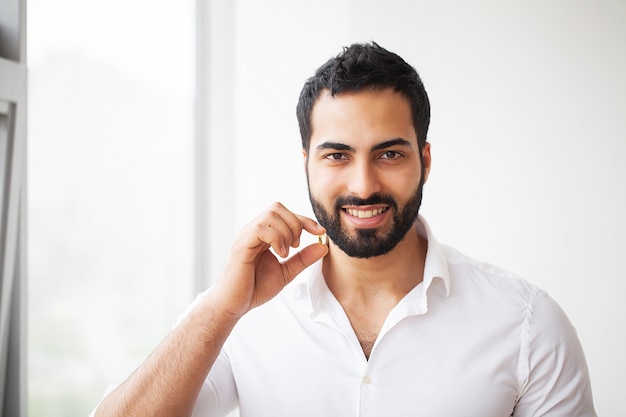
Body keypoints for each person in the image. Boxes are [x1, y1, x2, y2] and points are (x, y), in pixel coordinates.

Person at [92, 42, 596, 417]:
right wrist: (222, 310)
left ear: (424, 160)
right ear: (306, 164)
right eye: (337, 155)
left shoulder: (529, 325)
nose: (364, 184)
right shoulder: (240, 316)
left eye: (390, 154)